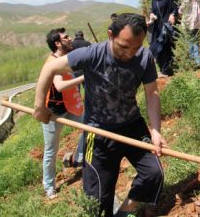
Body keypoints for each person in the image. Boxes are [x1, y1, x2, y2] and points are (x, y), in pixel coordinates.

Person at [33, 14, 166, 217]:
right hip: (98, 131)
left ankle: (124, 211)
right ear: (111, 35)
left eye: (136, 47)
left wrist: (156, 130)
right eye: (124, 46)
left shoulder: (145, 57)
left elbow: (152, 93)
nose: (130, 53)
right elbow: (50, 67)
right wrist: (39, 106)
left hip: (132, 126)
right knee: (98, 200)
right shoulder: (91, 54)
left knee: (153, 174)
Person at [41, 28, 85, 200]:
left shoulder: (65, 58)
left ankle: (79, 158)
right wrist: (83, 78)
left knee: (90, 127)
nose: (70, 39)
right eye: (66, 38)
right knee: (51, 150)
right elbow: (59, 86)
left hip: (70, 107)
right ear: (58, 43)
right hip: (54, 113)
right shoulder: (52, 63)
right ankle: (49, 186)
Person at [148, 0, 179, 77]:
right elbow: (152, 11)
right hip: (157, 27)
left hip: (167, 26)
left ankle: (167, 71)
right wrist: (151, 15)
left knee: (165, 48)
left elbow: (175, 9)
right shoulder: (154, 0)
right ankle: (162, 69)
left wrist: (173, 15)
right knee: (156, 48)